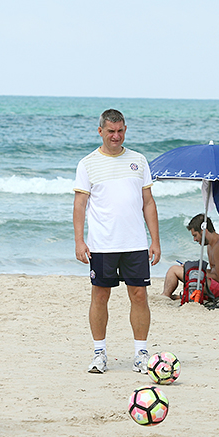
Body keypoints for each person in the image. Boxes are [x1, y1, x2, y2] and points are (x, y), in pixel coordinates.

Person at [73, 109, 161, 374]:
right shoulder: (87, 163)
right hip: (102, 245)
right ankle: (99, 353)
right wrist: (79, 241)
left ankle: (141, 354)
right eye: (111, 131)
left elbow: (148, 203)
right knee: (100, 296)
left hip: (135, 243)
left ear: (125, 129)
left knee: (139, 295)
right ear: (100, 131)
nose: (116, 136)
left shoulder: (139, 161)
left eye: (120, 130)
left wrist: (154, 240)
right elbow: (80, 205)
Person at [162, 214, 219, 300]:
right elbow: (213, 271)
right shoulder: (211, 245)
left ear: (204, 231)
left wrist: (192, 271)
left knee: (174, 270)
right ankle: (167, 296)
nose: (194, 239)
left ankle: (165, 296)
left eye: (195, 235)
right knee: (177, 270)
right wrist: (192, 269)